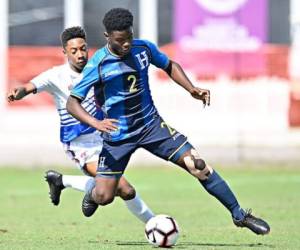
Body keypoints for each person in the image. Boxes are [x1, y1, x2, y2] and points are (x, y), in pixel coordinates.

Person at [66, 8, 270, 235]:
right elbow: (72, 103)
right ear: (107, 37)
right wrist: (96, 123)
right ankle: (93, 191)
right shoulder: (99, 64)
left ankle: (239, 215)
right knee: (104, 197)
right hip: (118, 136)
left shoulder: (143, 48)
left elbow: (169, 65)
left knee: (198, 165)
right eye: (120, 41)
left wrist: (191, 88)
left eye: (129, 38)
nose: (126, 45)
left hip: (151, 126)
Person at [6, 26, 154, 223]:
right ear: (65, 52)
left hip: (107, 140)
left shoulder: (100, 67)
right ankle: (155, 223)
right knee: (124, 189)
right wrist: (19, 92)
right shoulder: (56, 76)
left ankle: (60, 181)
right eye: (73, 51)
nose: (80, 54)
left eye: (83, 49)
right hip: (80, 144)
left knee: (117, 191)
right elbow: (29, 87)